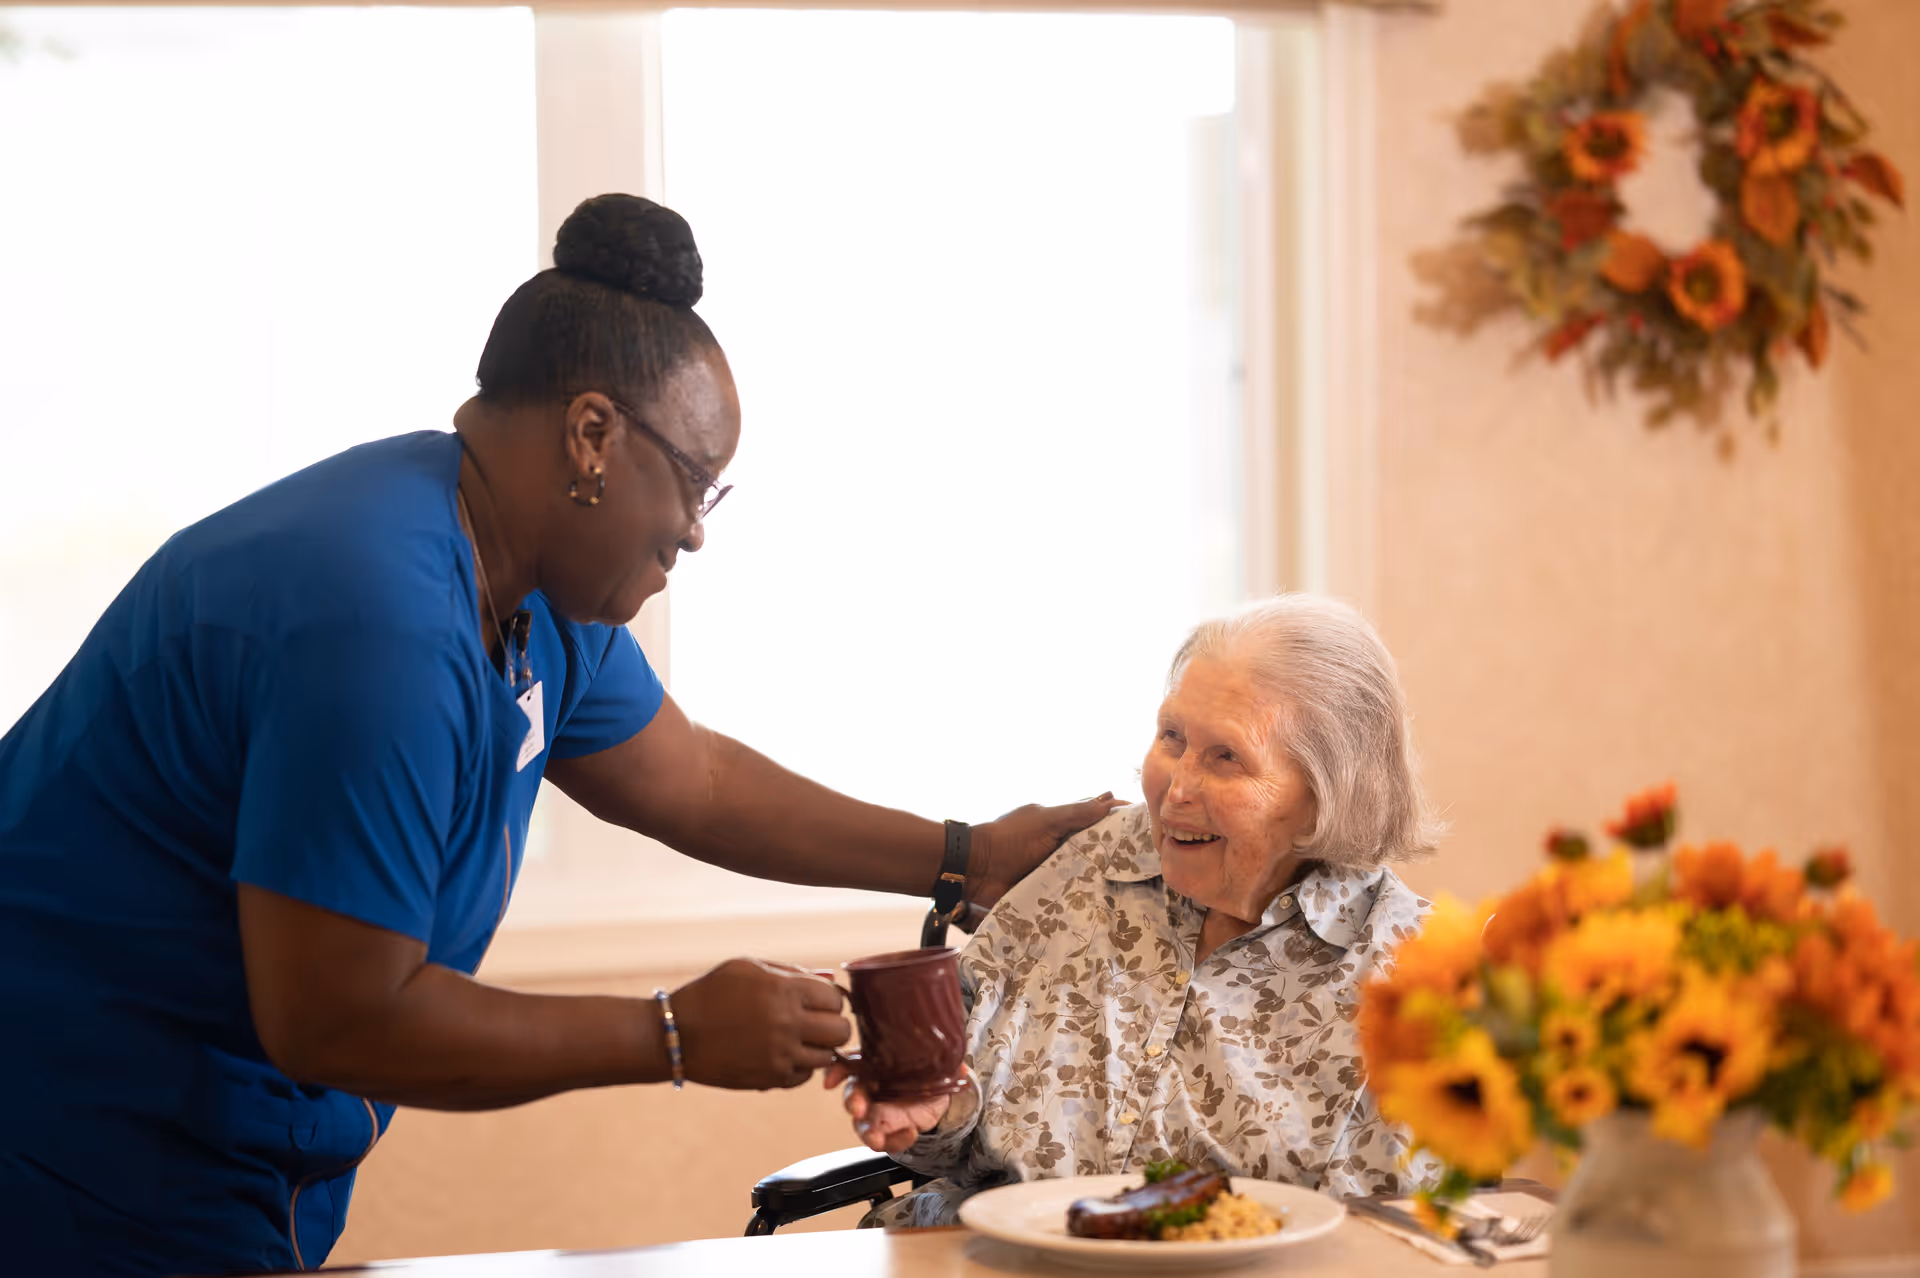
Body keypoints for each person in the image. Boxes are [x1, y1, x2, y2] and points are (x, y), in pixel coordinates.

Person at [0, 194, 1120, 1277]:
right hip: (69, 1152)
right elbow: (337, 1017)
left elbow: (697, 783)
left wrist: (967, 854)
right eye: (693, 483)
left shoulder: (526, 582)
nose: (692, 530)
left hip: (218, 1158)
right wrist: (673, 1036)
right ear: (592, 434)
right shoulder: (374, 619)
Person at [837, 594, 1445, 1224]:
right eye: (1172, 737)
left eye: (1226, 757)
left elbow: (1375, 1244)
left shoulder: (1409, 974)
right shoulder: (1093, 862)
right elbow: (956, 1130)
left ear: (1326, 796)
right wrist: (936, 1109)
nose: (1176, 788)